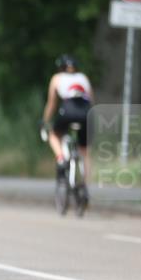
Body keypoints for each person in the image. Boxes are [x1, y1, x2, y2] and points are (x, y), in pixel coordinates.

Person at [42, 54, 92, 191]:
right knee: (85, 151)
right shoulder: (83, 78)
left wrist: (45, 121)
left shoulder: (57, 78)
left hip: (68, 110)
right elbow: (91, 100)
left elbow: (52, 103)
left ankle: (61, 158)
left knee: (54, 134)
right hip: (86, 112)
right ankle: (85, 186)